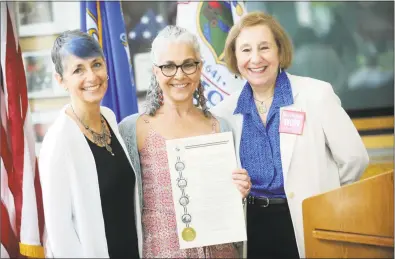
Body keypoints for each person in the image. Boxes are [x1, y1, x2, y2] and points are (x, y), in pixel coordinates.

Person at [211, 11, 369, 259]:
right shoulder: (224, 113)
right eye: (245, 50)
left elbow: (355, 159)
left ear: (279, 51)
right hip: (251, 228)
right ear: (234, 56)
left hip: (309, 222)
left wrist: (326, 199)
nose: (255, 59)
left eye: (264, 47)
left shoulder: (316, 95)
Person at [118, 25, 251, 258]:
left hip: (220, 252)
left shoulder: (221, 127)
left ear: (199, 68)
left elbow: (230, 205)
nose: (179, 75)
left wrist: (239, 190)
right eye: (168, 66)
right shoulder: (133, 129)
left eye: (188, 64)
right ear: (156, 71)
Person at [38, 30, 142, 258]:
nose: (92, 77)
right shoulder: (58, 142)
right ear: (60, 80)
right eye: (78, 70)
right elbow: (60, 235)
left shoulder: (110, 118)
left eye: (96, 64)